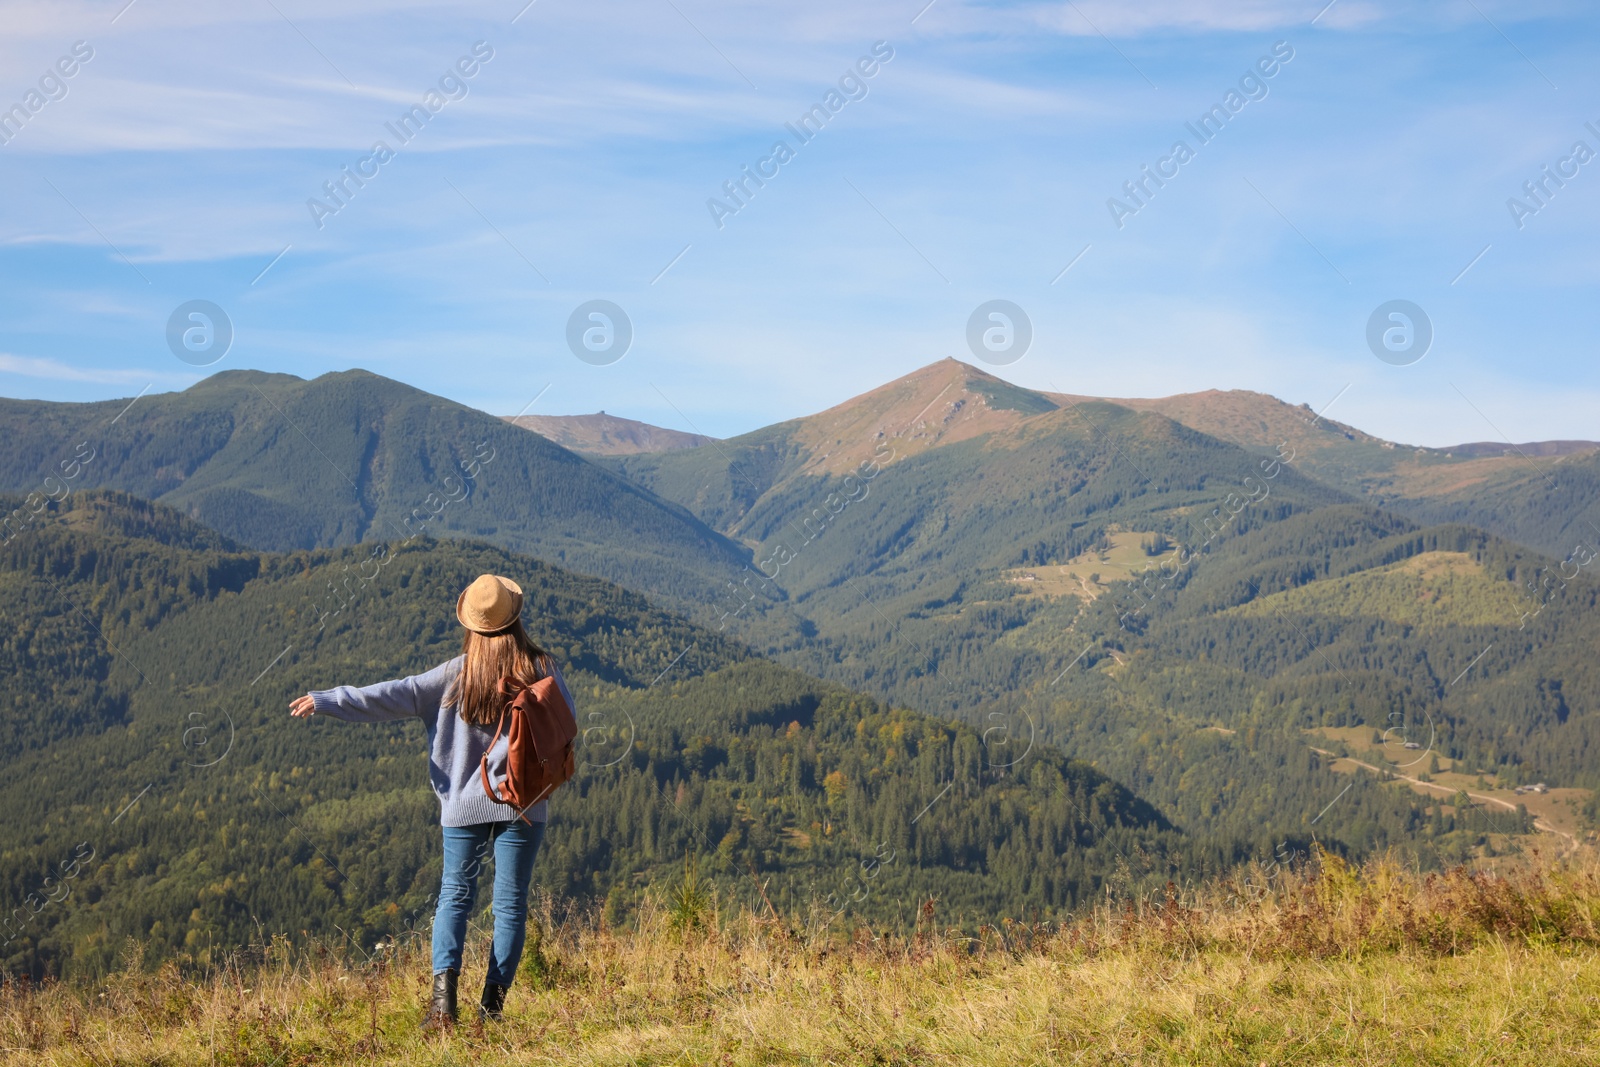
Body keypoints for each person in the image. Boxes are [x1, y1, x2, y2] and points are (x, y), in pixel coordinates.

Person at [288, 573, 574, 1030]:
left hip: (463, 806)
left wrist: (328, 700)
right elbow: (567, 726)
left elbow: (387, 696)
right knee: (511, 905)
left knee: (454, 897)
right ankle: (492, 1013)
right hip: (524, 803)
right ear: (515, 619)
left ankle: (443, 1009)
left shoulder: (452, 677)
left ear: (472, 625)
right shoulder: (543, 669)